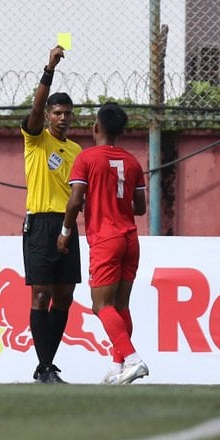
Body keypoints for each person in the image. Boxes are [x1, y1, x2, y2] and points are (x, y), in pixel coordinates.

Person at [58, 102, 149, 385]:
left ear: (95, 127)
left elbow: (75, 200)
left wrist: (65, 231)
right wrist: (114, 200)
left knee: (100, 306)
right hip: (130, 238)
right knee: (120, 306)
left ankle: (133, 359)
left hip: (106, 238)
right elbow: (140, 207)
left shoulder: (86, 159)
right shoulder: (132, 162)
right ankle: (118, 365)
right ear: (121, 132)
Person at [20, 45, 82, 384]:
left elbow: (79, 191)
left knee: (65, 296)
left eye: (67, 113)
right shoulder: (35, 140)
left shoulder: (76, 151)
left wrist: (70, 227)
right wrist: (49, 68)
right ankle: (44, 367)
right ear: (48, 115)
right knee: (41, 293)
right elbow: (35, 106)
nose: (61, 117)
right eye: (56, 112)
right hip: (41, 224)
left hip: (67, 225)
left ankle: (47, 365)